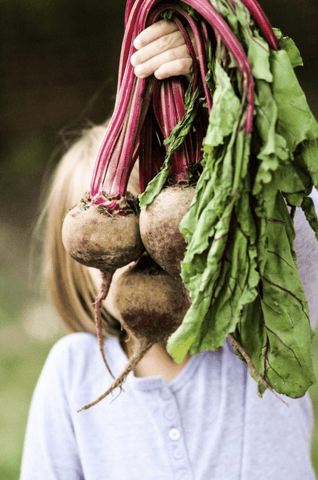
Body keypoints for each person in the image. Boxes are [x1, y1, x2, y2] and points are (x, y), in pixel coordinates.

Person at [20, 19, 318, 480]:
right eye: (116, 251)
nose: (151, 264)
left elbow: (303, 217)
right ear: (79, 268)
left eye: (169, 243)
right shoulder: (74, 371)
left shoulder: (255, 333)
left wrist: (223, 74)